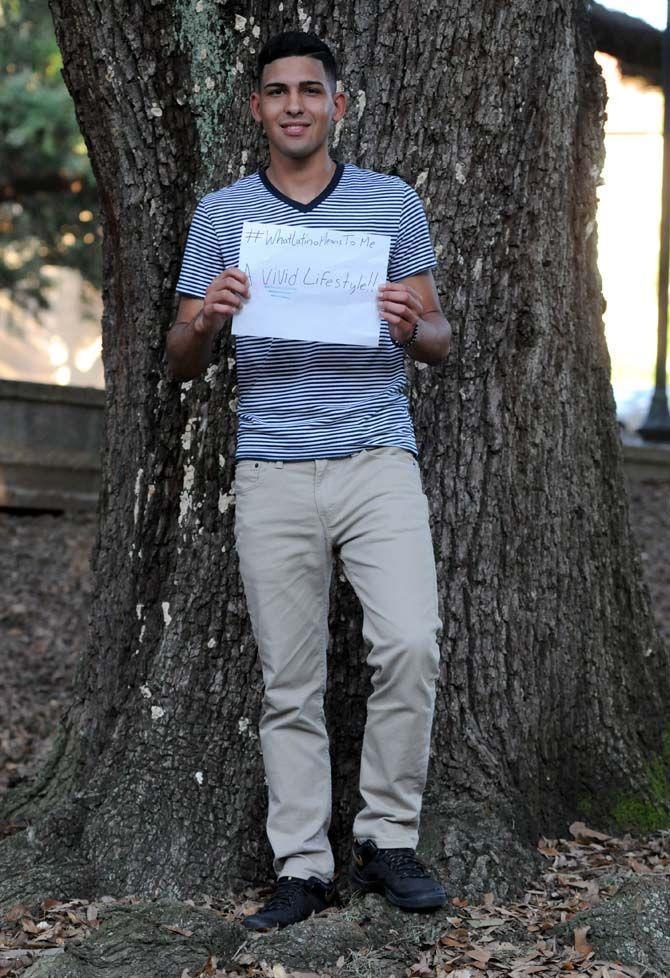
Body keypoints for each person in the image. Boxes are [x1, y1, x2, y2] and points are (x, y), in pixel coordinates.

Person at [166, 30, 452, 932]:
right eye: (278, 91)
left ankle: (388, 840)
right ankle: (302, 866)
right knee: (289, 681)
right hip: (275, 468)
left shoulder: (388, 202)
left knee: (410, 644)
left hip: (377, 459)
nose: (295, 104)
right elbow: (177, 360)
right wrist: (207, 319)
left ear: (337, 104)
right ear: (256, 107)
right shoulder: (222, 216)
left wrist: (414, 324)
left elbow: (443, 338)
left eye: (310, 90)